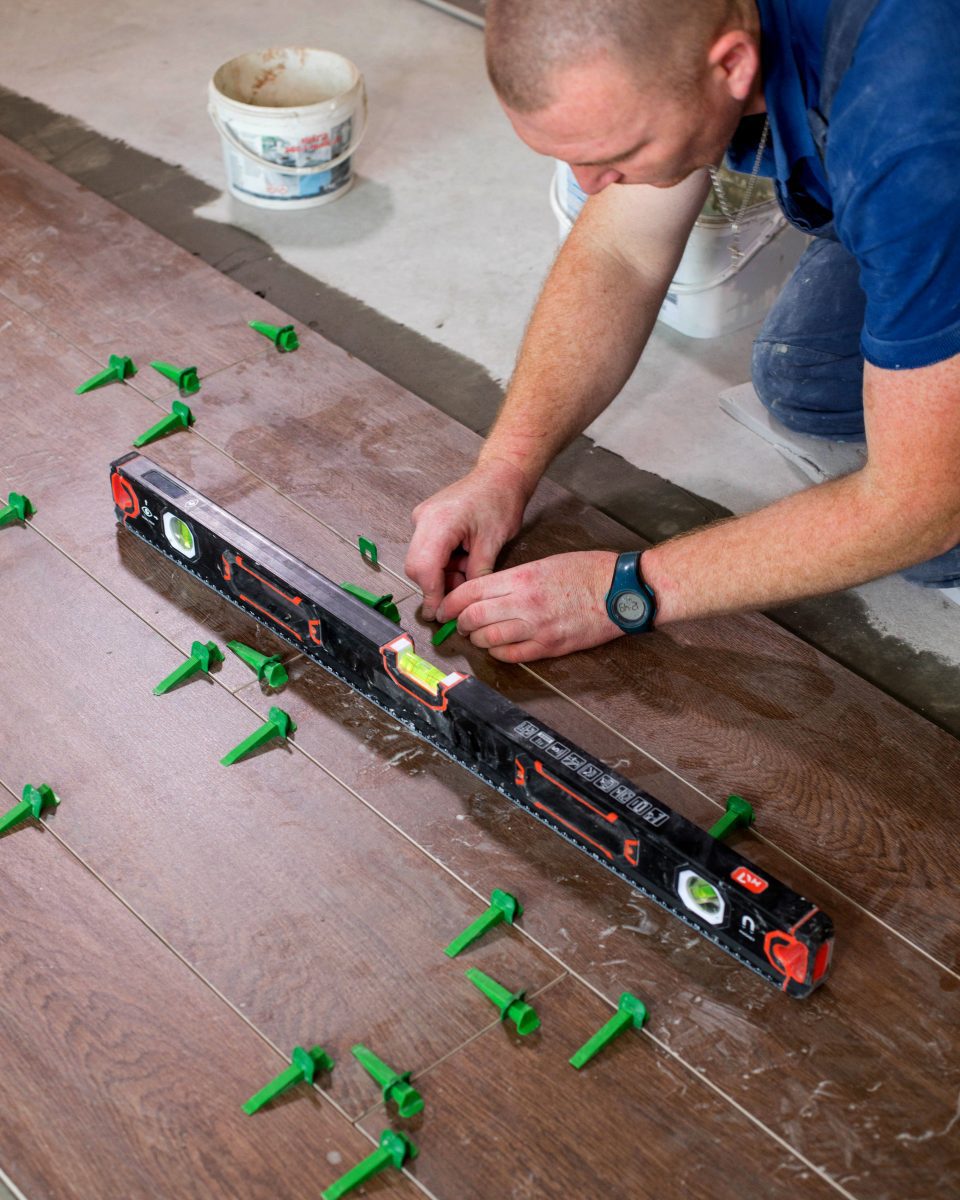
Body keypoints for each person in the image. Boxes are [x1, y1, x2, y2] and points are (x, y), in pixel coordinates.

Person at [404, 0, 960, 663]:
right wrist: (503, 469)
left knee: (936, 538)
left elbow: (919, 506)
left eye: (618, 153)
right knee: (805, 373)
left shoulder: (914, 137)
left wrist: (626, 591)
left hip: (928, 155)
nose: (590, 186)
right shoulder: (678, 39)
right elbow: (623, 250)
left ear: (732, 63)